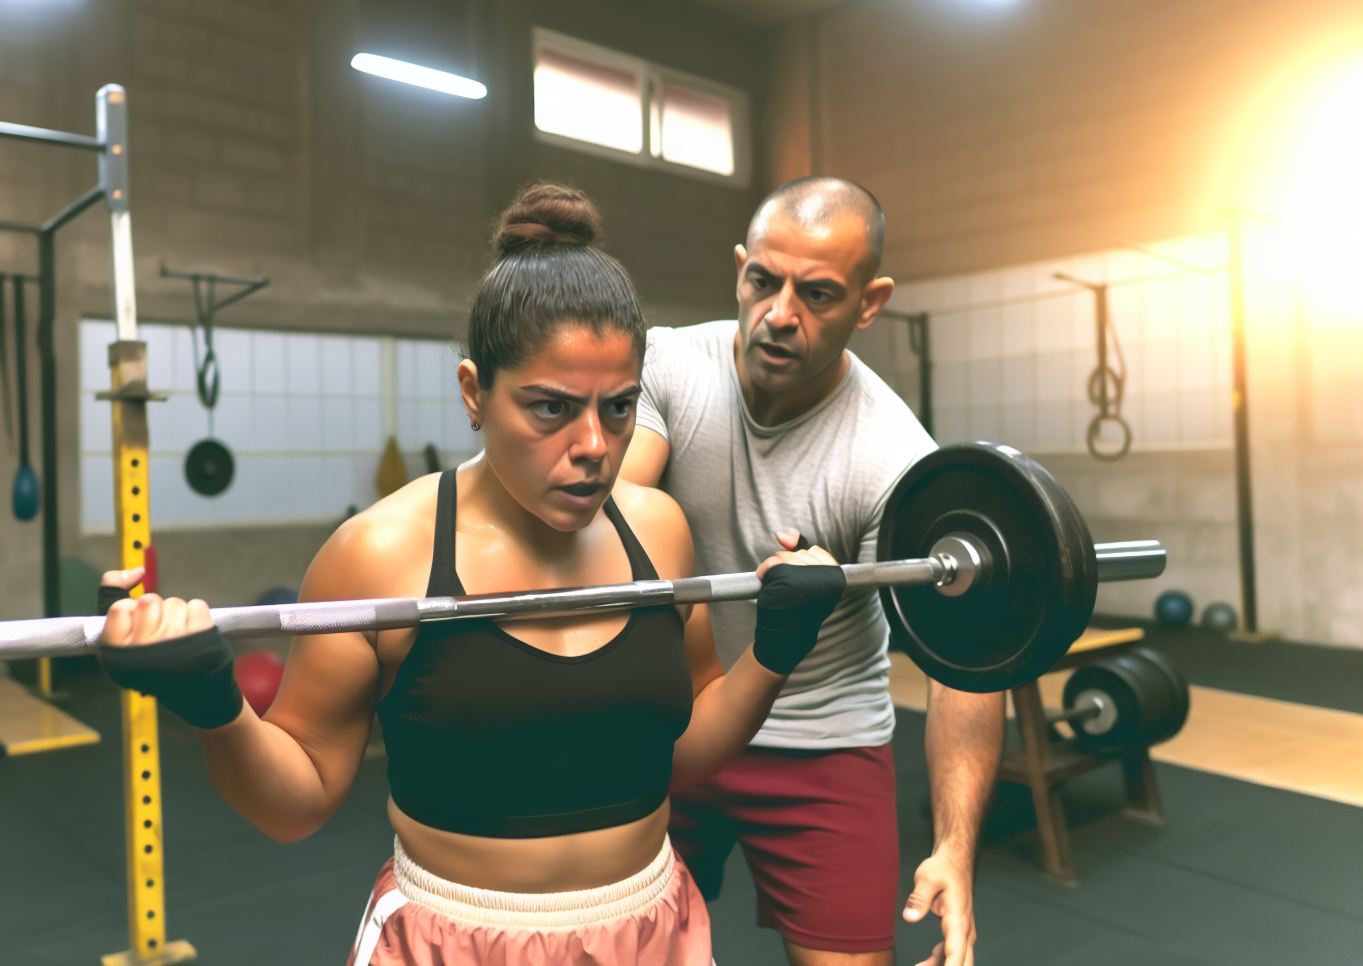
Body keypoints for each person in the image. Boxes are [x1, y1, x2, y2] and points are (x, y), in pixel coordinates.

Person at [97, 183, 850, 966]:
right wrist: (213, 705)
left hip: (650, 929)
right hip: (455, 940)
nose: (594, 443)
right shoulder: (381, 555)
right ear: (473, 393)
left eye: (619, 408)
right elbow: (298, 804)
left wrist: (775, 651)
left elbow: (684, 751)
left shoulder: (657, 530)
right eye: (551, 409)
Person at [619, 177, 1005, 966]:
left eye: (820, 294)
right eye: (764, 281)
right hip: (673, 716)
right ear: (739, 269)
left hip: (820, 736)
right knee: (613, 946)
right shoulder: (667, 363)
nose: (780, 314)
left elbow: (960, 665)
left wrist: (954, 847)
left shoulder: (893, 457)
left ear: (871, 303)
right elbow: (619, 516)